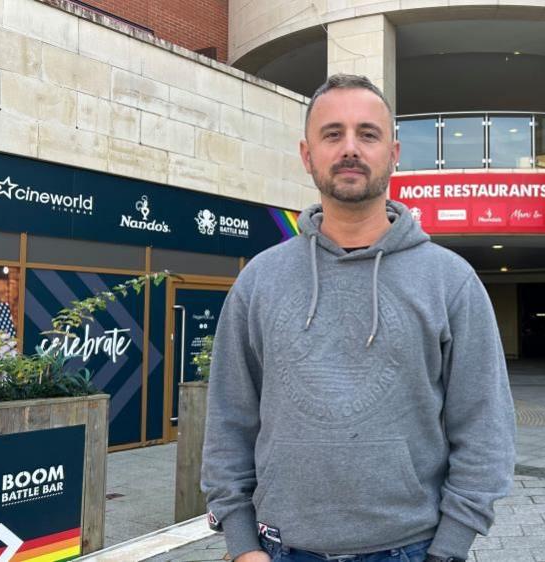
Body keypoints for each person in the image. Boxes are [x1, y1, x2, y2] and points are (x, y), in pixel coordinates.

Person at [201, 74, 516, 562]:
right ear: (307, 155)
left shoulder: (450, 280)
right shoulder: (260, 280)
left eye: (367, 134)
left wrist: (450, 548)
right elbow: (228, 421)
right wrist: (242, 545)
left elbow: (484, 427)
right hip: (279, 547)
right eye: (333, 134)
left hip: (413, 549)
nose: (350, 148)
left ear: (393, 153)